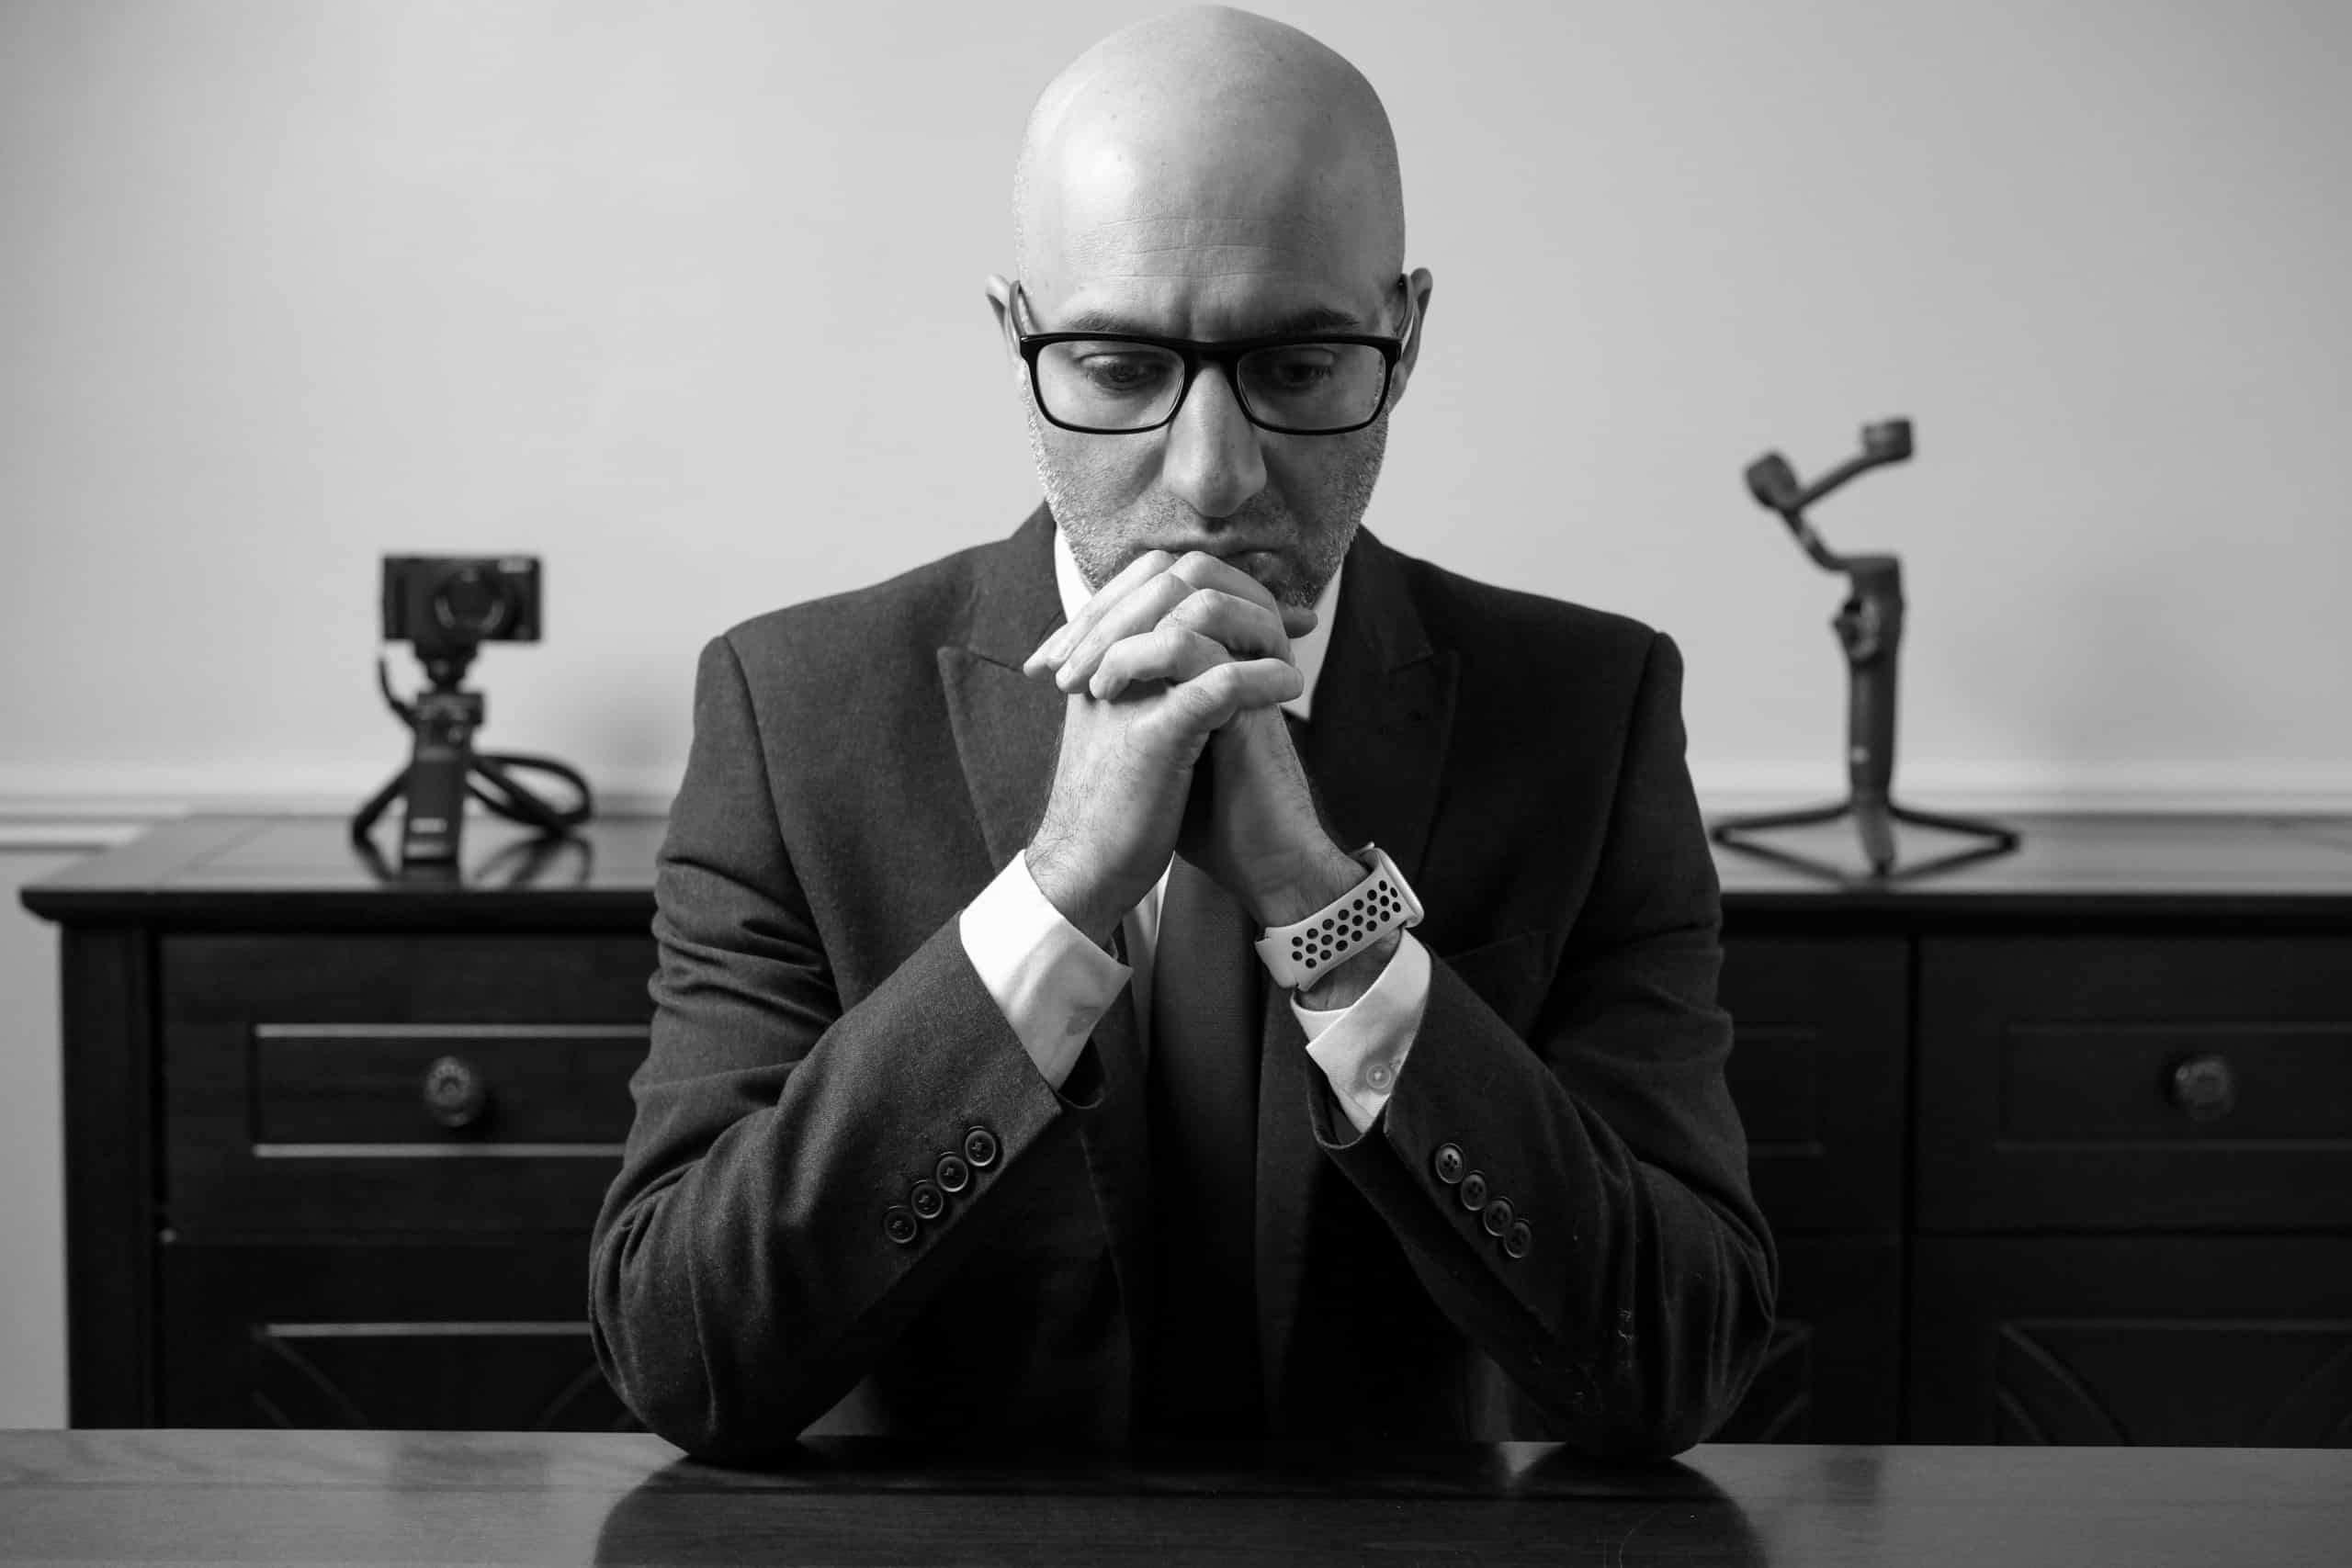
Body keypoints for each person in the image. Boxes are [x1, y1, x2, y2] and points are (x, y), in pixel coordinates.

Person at [589, 5, 1774, 1461]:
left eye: (1296, 370)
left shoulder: (1589, 713)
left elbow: (1683, 1359)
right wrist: (1058, 891)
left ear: (1402, 339)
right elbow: (682, 1354)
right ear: (1017, 336)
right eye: (1118, 370)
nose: (1213, 479)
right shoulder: (793, 711)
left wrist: (1328, 914)